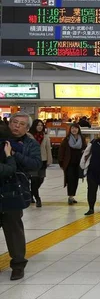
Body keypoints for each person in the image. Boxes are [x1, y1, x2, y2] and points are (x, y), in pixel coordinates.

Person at [5, 113, 42, 281]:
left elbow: (35, 164)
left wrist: (13, 155)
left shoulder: (31, 144)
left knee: (14, 229)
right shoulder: (2, 138)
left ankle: (18, 265)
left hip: (14, 191)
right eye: (14, 122)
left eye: (21, 124)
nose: (16, 126)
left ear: (27, 128)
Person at [58, 123, 86, 205]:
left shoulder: (82, 138)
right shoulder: (66, 139)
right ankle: (70, 196)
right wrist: (61, 162)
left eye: (76, 128)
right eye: (73, 128)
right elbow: (61, 151)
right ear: (70, 129)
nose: (74, 130)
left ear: (78, 129)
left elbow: (85, 148)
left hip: (78, 163)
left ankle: (73, 195)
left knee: (76, 180)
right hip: (69, 163)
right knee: (70, 180)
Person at [28, 119, 52, 208]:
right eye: (38, 125)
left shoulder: (45, 136)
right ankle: (37, 198)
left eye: (41, 125)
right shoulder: (29, 136)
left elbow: (48, 149)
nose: (40, 127)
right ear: (34, 126)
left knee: (41, 179)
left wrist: (49, 160)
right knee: (34, 180)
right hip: (33, 160)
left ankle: (31, 193)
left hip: (43, 160)